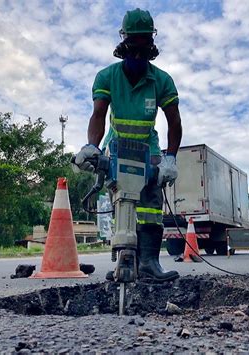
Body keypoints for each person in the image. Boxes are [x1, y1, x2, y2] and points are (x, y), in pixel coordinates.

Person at [75, 8, 182, 283]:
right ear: (124, 41)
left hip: (149, 149)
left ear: (151, 43)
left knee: (150, 203)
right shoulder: (107, 76)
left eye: (143, 43)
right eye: (133, 43)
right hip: (117, 148)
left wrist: (170, 159)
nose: (137, 51)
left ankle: (148, 262)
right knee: (123, 201)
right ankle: (126, 258)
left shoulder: (162, 80)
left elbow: (174, 123)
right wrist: (92, 147)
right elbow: (98, 115)